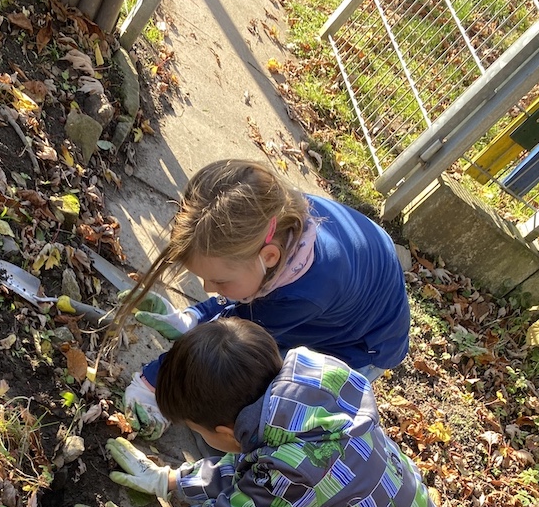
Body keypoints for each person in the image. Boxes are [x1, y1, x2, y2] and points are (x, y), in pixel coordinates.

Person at [67, 319, 439, 507]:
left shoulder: (292, 473)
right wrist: (172, 481)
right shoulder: (309, 385)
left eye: (199, 429)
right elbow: (259, 465)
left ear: (226, 433)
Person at [120, 159, 410, 438]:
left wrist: (153, 384)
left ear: (269, 257)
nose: (208, 288)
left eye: (220, 281)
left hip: (361, 346)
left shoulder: (303, 295)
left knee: (270, 409)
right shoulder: (273, 221)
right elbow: (239, 301)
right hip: (359, 289)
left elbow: (229, 339)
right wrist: (194, 317)